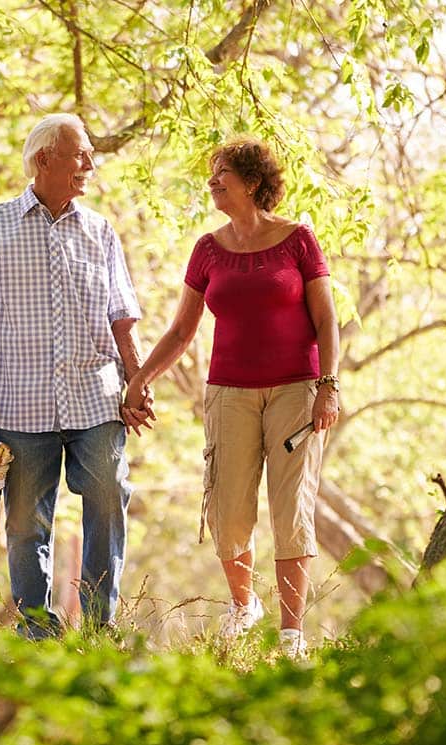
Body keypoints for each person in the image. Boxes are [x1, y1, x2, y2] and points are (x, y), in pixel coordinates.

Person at [123, 136, 340, 658]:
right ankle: (245, 607)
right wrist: (140, 378)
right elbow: (181, 331)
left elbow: (327, 317)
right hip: (228, 395)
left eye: (222, 172)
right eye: (212, 172)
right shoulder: (207, 249)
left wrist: (328, 386)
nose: (212, 180)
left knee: (292, 511)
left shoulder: (299, 240)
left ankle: (292, 637)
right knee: (228, 508)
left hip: (295, 392)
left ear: (253, 182)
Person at [0, 113, 150, 639]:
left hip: (95, 396)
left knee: (109, 495)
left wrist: (137, 380)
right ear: (44, 160)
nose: (89, 165)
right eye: (80, 154)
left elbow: (121, 318)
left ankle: (100, 626)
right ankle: (37, 630)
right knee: (23, 525)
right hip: (19, 402)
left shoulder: (100, 230)